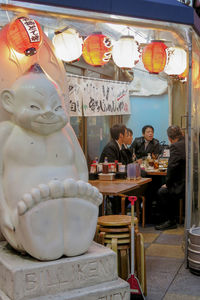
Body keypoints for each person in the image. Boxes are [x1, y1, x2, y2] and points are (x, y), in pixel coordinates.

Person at [155, 125, 186, 230]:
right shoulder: (189, 142)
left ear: (169, 138)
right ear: (181, 133)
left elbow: (171, 168)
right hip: (190, 183)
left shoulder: (175, 146)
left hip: (182, 185)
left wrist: (167, 184)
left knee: (162, 191)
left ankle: (170, 221)